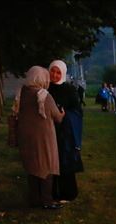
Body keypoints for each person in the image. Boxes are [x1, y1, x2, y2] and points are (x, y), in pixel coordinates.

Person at [14, 66, 65, 209]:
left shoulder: (22, 93)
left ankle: (34, 199)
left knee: (32, 168)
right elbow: (57, 117)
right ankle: (47, 201)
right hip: (43, 137)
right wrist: (62, 113)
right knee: (46, 167)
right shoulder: (44, 95)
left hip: (26, 136)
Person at [48, 60, 83, 202]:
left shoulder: (69, 90)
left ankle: (67, 193)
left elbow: (77, 111)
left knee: (64, 162)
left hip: (64, 132)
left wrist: (63, 116)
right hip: (49, 130)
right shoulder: (45, 88)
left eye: (58, 72)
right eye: (53, 71)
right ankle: (50, 192)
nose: (55, 75)